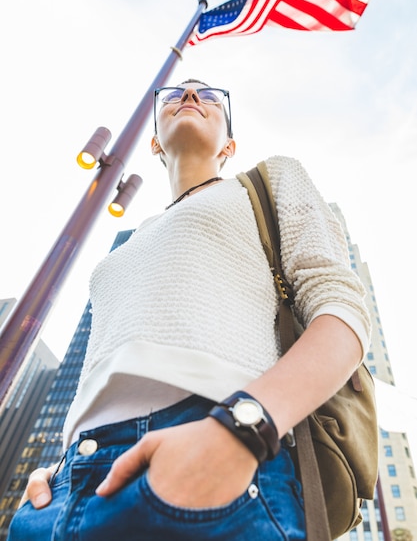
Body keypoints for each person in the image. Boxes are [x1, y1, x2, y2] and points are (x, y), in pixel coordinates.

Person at [8, 79, 370, 541]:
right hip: (69, 488)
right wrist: (57, 466)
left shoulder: (267, 180)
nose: (192, 97)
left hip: (223, 455)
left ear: (230, 145)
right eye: (176, 94)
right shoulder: (130, 241)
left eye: (210, 96)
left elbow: (342, 311)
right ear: (156, 142)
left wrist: (241, 431)